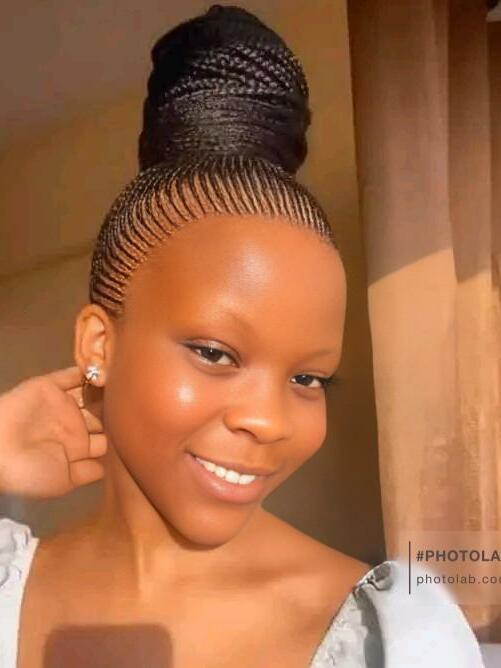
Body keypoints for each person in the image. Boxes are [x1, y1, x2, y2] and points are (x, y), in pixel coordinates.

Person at [0, 5, 485, 667]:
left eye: (307, 378)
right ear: (98, 347)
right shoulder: (9, 581)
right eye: (214, 353)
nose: (270, 421)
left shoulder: (395, 635)